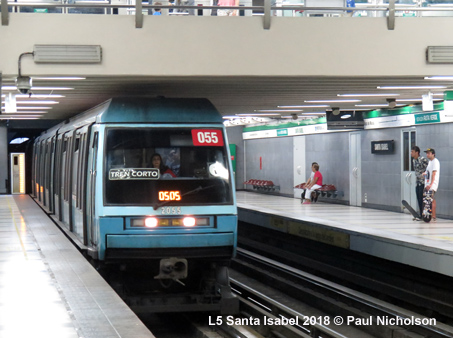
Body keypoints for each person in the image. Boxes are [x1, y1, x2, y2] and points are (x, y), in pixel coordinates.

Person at [411, 146, 428, 220]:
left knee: (422, 199)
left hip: (423, 182)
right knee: (418, 198)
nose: (411, 153)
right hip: (417, 182)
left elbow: (428, 169)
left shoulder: (423, 159)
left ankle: (424, 214)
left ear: (417, 152)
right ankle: (421, 214)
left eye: (412, 152)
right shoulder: (413, 160)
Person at [423, 148, 440, 222]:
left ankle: (433, 216)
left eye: (429, 153)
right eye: (427, 153)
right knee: (430, 200)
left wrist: (431, 184)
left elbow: (434, 173)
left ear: (433, 154)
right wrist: (424, 174)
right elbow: (429, 173)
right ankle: (431, 215)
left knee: (431, 200)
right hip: (427, 184)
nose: (427, 155)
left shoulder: (435, 162)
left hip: (432, 185)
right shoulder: (430, 162)